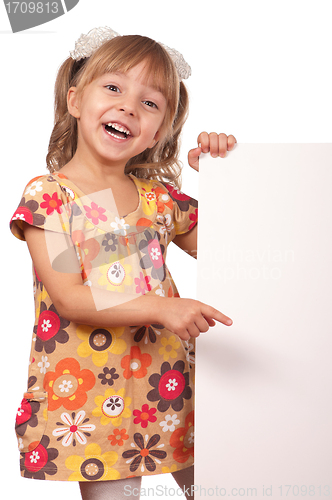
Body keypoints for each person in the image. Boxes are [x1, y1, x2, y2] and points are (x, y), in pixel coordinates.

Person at [10, 27, 236, 500]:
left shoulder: (160, 200)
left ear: (160, 131)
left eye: (150, 103)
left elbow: (236, 249)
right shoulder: (50, 197)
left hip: (171, 390)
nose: (129, 107)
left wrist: (222, 174)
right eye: (113, 88)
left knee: (227, 489)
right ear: (75, 100)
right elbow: (71, 295)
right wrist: (160, 306)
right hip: (91, 399)